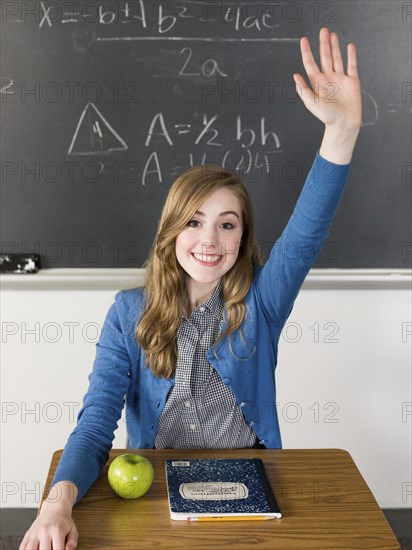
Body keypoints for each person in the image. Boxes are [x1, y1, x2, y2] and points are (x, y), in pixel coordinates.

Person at [19, 27, 362, 550]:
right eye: (195, 222)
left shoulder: (261, 303)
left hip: (252, 488)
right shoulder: (128, 312)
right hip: (156, 492)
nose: (209, 239)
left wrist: (342, 131)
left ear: (242, 237)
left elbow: (306, 232)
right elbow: (95, 425)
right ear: (172, 229)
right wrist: (56, 503)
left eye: (227, 224)